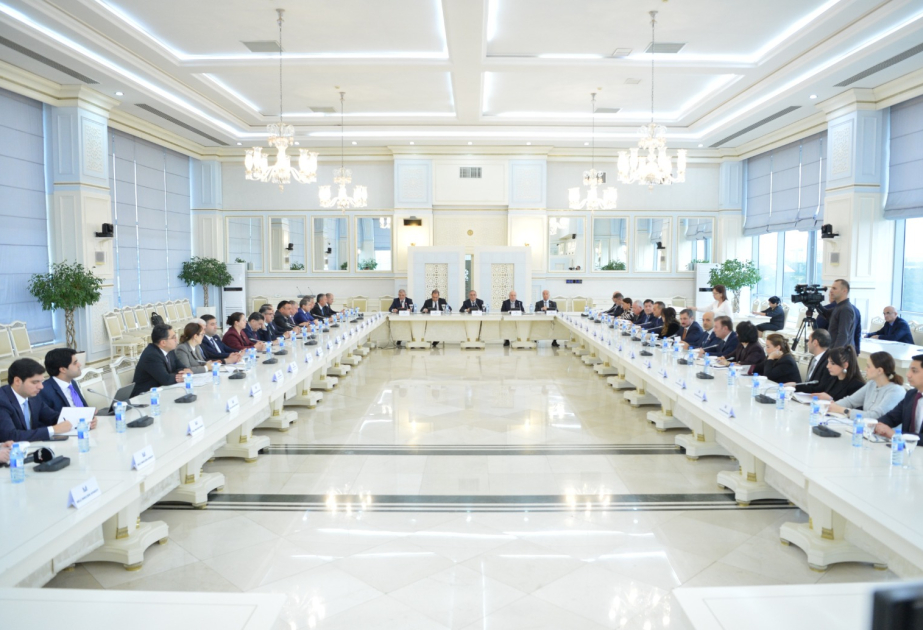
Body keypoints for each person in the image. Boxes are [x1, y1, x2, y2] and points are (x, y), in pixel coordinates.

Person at [0, 358, 76, 441]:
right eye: (35, 382)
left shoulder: (33, 396)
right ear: (17, 381)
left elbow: (52, 417)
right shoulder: (2, 401)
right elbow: (10, 436)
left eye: (41, 382)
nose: (41, 387)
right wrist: (53, 430)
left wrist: (79, 419)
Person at [829, 351, 906, 420]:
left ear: (879, 370)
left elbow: (875, 416)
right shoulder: (872, 384)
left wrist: (843, 410)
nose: (865, 369)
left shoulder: (896, 391)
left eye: (868, 366)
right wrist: (830, 406)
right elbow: (850, 401)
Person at [38, 348, 97, 427]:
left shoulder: (72, 382)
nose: (79, 364)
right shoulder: (44, 390)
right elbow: (49, 422)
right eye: (75, 363)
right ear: (63, 369)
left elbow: (83, 408)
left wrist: (90, 418)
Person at [130, 324, 192, 397]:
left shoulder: (170, 350)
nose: (176, 340)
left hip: (161, 392)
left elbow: (181, 367)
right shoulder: (152, 355)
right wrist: (182, 376)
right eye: (173, 338)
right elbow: (166, 379)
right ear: (163, 343)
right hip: (144, 396)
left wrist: (185, 372)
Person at [874, 355, 923, 438]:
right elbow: (891, 417)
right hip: (904, 445)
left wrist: (896, 434)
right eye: (909, 370)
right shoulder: (911, 394)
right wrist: (877, 425)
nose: (908, 375)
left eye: (914, 371)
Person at [793, 346, 864, 401]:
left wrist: (830, 399)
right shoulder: (833, 378)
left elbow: (852, 409)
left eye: (832, 363)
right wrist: (795, 385)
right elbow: (817, 389)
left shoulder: (857, 385)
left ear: (845, 365)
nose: (827, 366)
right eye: (828, 362)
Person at [817, 279, 856, 349]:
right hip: (834, 349)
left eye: (834, 288)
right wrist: (816, 304)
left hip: (839, 352)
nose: (831, 291)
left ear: (844, 291)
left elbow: (843, 335)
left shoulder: (845, 309)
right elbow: (826, 314)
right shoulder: (840, 306)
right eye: (831, 288)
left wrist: (834, 352)